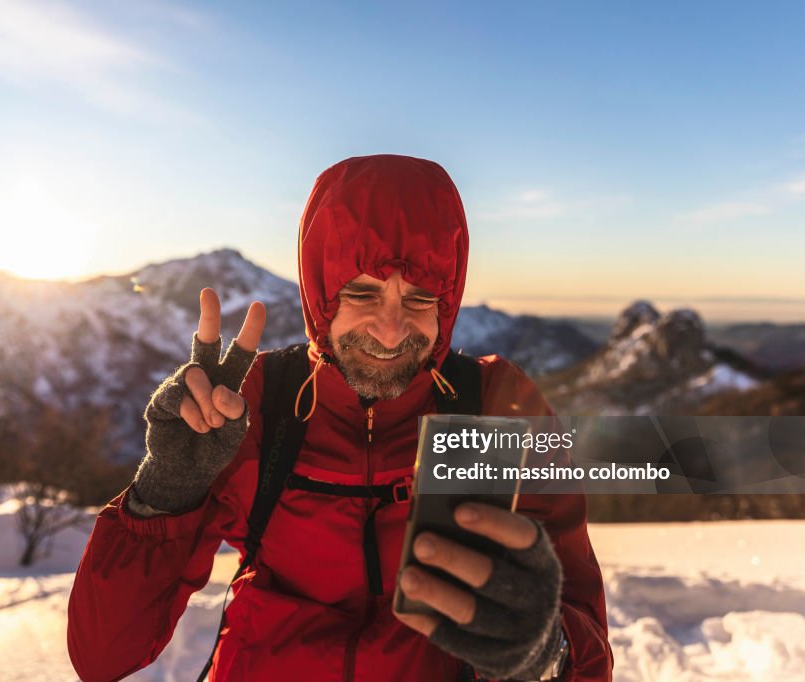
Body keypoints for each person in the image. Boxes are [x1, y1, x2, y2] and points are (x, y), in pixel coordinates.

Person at [67, 154, 612, 681]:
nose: (392, 329)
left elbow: (581, 634)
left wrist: (546, 655)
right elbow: (103, 657)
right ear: (321, 292)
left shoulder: (493, 405)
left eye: (421, 298)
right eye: (362, 292)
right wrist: (163, 493)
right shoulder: (254, 404)